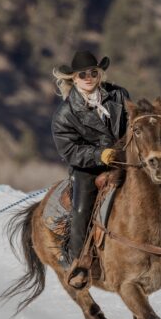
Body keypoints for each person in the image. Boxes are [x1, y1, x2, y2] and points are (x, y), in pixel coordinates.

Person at [51, 50, 130, 287]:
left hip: (124, 159)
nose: (88, 77)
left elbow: (131, 124)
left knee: (159, 185)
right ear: (73, 79)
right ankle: (78, 263)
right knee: (82, 209)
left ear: (99, 74)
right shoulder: (64, 114)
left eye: (92, 72)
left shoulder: (119, 94)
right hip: (88, 169)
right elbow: (70, 151)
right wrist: (100, 154)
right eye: (82, 74)